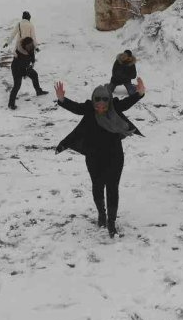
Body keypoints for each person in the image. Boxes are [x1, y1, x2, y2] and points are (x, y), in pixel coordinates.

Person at [54, 78, 146, 237]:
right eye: (98, 103)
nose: (101, 106)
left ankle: (111, 223)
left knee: (112, 188)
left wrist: (140, 93)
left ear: (109, 101)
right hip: (94, 157)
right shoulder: (89, 110)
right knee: (97, 187)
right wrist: (62, 99)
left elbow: (127, 102)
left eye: (104, 103)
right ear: (93, 101)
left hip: (115, 157)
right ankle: (101, 214)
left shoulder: (115, 107)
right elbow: (76, 108)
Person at [8, 36, 48, 109]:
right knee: (17, 85)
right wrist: (24, 74)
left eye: (31, 45)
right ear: (24, 45)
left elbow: (32, 56)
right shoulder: (19, 53)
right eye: (28, 46)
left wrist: (32, 62)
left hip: (26, 67)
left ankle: (39, 91)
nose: (30, 47)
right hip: (17, 68)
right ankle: (11, 104)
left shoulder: (30, 49)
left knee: (34, 75)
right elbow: (20, 66)